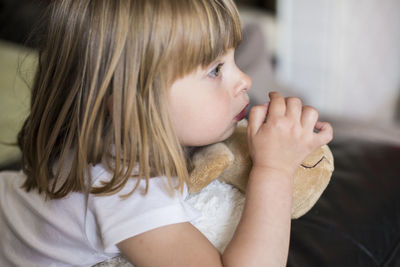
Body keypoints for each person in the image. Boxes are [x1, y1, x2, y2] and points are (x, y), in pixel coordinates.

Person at [0, 0, 333, 266]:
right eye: (215, 69)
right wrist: (274, 169)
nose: (244, 79)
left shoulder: (106, 137)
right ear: (134, 104)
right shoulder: (124, 190)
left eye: (232, 59)